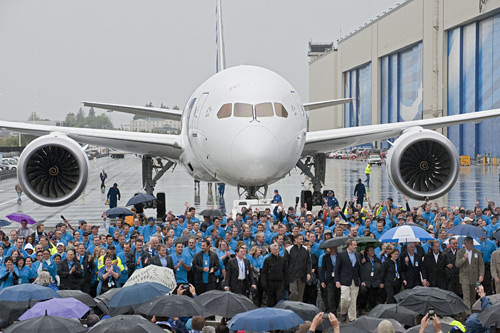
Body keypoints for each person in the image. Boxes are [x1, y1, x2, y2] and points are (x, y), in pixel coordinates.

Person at [335, 238, 362, 322]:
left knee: (353, 300)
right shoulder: (341, 254)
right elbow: (337, 268)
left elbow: (359, 268)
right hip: (344, 280)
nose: (356, 246)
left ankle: (352, 318)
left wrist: (361, 280)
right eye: (354, 245)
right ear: (349, 245)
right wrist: (337, 280)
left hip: (355, 280)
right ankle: (343, 312)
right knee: (345, 298)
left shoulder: (358, 255)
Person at [455, 236, 484, 311]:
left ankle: (473, 310)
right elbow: (457, 264)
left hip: (475, 277)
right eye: (471, 243)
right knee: (466, 297)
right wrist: (464, 259)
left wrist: (481, 275)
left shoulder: (477, 252)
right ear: (466, 244)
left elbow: (481, 265)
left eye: (473, 242)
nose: (473, 244)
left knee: (473, 296)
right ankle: (468, 313)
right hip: (465, 278)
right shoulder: (460, 252)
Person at [284, 234, 311, 301]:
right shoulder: (289, 249)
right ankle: (290, 304)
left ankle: (299, 309)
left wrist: (308, 273)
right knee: (294, 292)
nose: (302, 240)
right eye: (300, 239)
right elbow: (285, 262)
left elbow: (308, 262)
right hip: (292, 275)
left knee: (300, 294)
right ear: (295, 239)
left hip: (302, 275)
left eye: (302, 239)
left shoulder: (305, 249)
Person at [320, 245, 341, 315]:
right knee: (330, 296)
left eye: (335, 248)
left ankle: (335, 308)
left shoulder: (340, 256)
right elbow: (322, 270)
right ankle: (333, 313)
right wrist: (322, 280)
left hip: (338, 278)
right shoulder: (325, 257)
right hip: (329, 279)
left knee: (337, 296)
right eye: (333, 248)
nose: (334, 249)